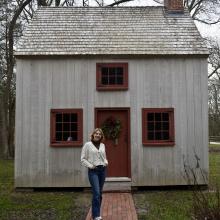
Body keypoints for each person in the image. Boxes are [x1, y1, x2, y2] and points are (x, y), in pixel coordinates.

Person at [81, 128, 108, 220]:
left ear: (101, 136)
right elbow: (83, 158)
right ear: (93, 135)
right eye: (96, 133)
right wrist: (90, 166)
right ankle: (96, 215)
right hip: (93, 171)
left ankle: (96, 212)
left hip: (103, 170)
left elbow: (104, 156)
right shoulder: (87, 145)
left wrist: (106, 162)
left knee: (99, 193)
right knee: (96, 192)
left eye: (99, 134)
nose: (97, 135)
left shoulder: (102, 145)